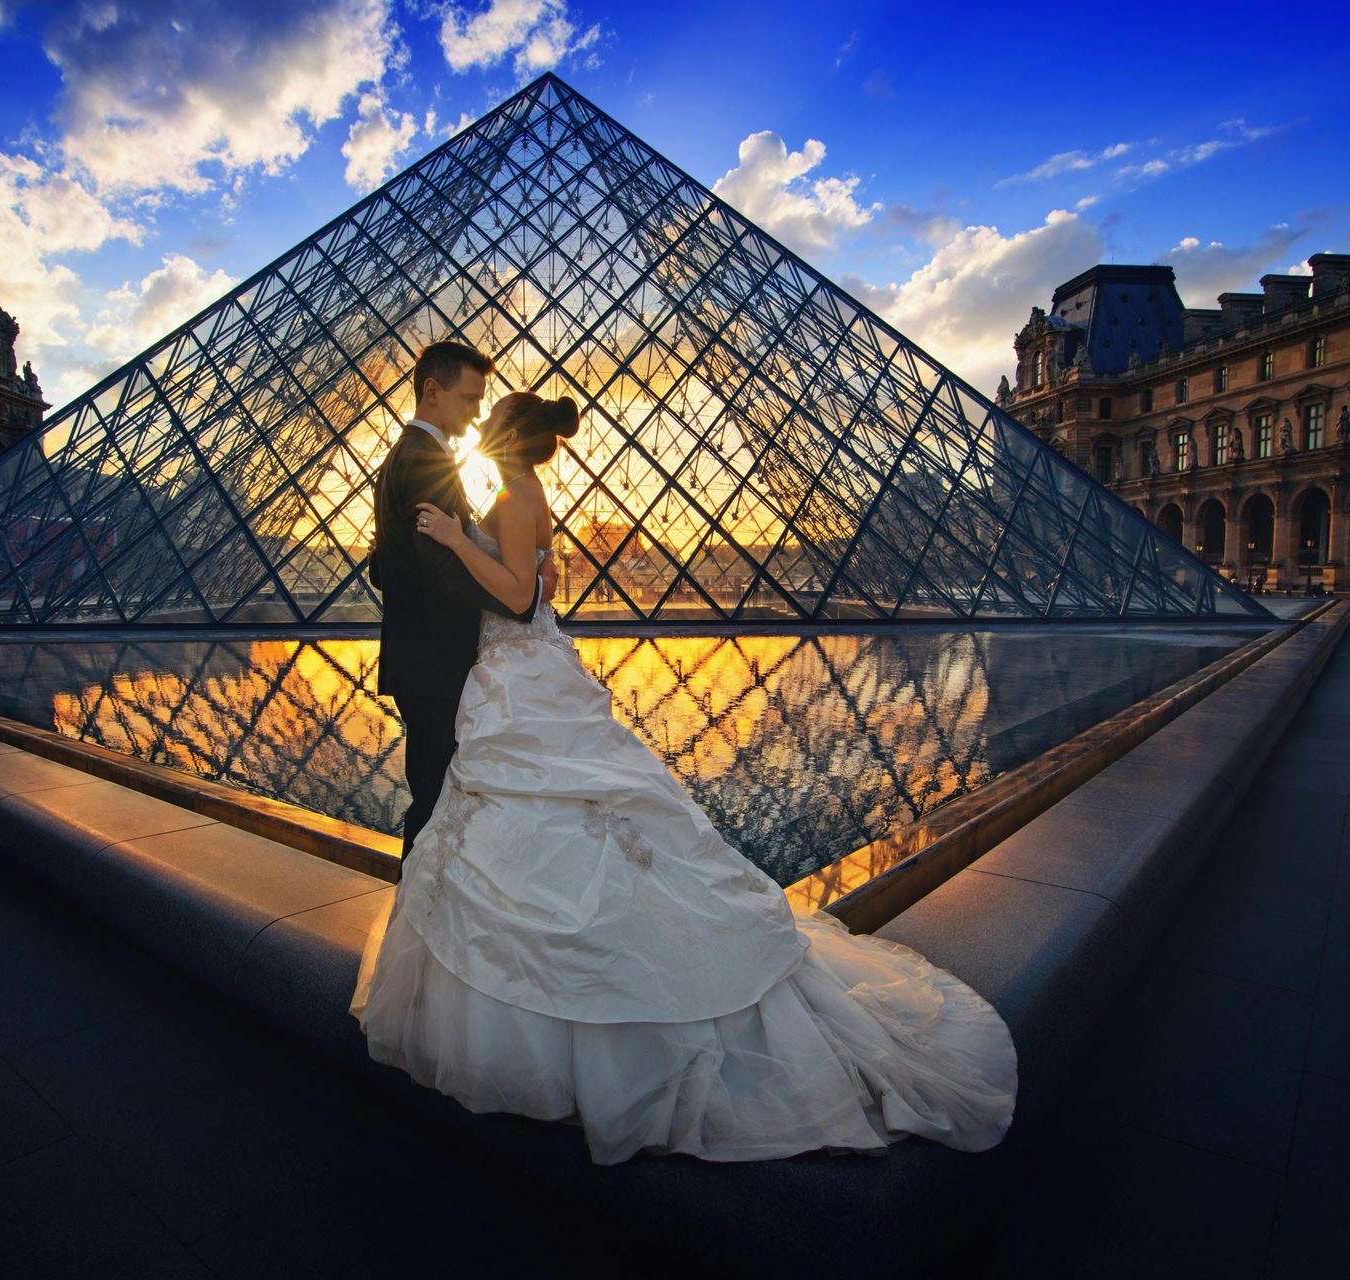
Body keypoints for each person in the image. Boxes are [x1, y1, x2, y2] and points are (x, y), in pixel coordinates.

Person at [352, 390, 1018, 1165]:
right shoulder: (528, 493)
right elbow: (549, 582)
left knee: (524, 834)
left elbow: (521, 593)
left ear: (504, 436)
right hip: (527, 680)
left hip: (518, 683)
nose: (476, 431)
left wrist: (452, 539)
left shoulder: (511, 494)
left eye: (486, 422)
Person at [369, 342, 556, 855]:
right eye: (471, 399)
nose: (477, 415)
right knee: (435, 798)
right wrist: (531, 590)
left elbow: (383, 566)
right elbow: (447, 574)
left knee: (437, 793)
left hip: (422, 658)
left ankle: (424, 909)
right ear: (433, 392)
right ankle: (418, 912)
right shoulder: (427, 459)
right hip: (437, 663)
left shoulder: (403, 456)